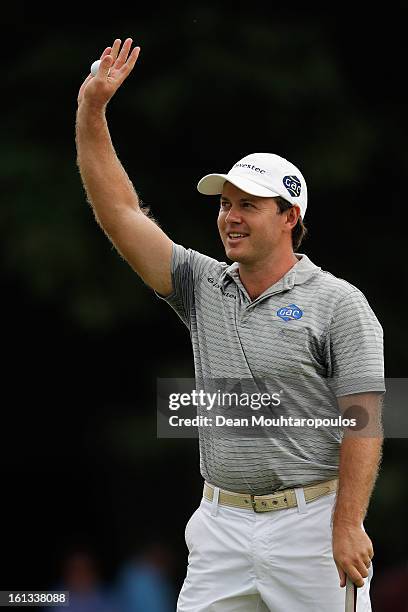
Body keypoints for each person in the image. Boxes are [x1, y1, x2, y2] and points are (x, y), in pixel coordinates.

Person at [75, 38, 385, 611]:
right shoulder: (201, 285)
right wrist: (91, 110)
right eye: (225, 204)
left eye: (248, 205)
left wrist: (348, 524)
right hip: (220, 527)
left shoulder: (339, 302)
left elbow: (364, 421)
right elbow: (119, 212)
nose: (230, 217)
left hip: (312, 528)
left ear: (290, 216)